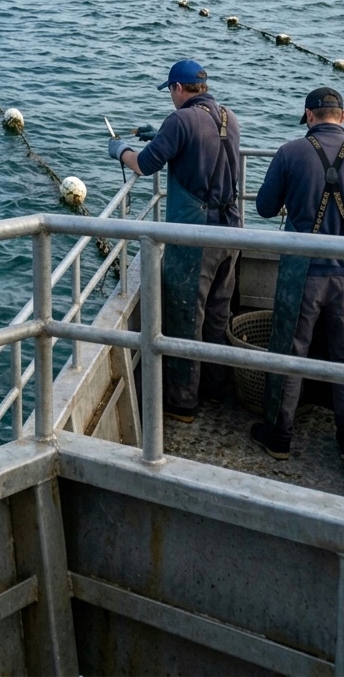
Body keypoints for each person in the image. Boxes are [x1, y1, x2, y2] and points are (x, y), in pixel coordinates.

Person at [252, 87, 344, 463]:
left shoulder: (289, 153)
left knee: (291, 353)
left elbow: (264, 208)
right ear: (342, 117)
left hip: (302, 271)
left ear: (309, 116)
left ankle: (279, 439)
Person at [108, 58, 241, 422]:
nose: (171, 96)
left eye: (170, 90)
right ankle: (216, 389)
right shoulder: (228, 116)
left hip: (195, 235)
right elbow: (203, 149)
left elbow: (144, 165)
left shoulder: (180, 120)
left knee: (186, 316)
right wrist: (161, 137)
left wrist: (118, 149)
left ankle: (183, 403)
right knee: (217, 314)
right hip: (231, 230)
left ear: (178, 89)